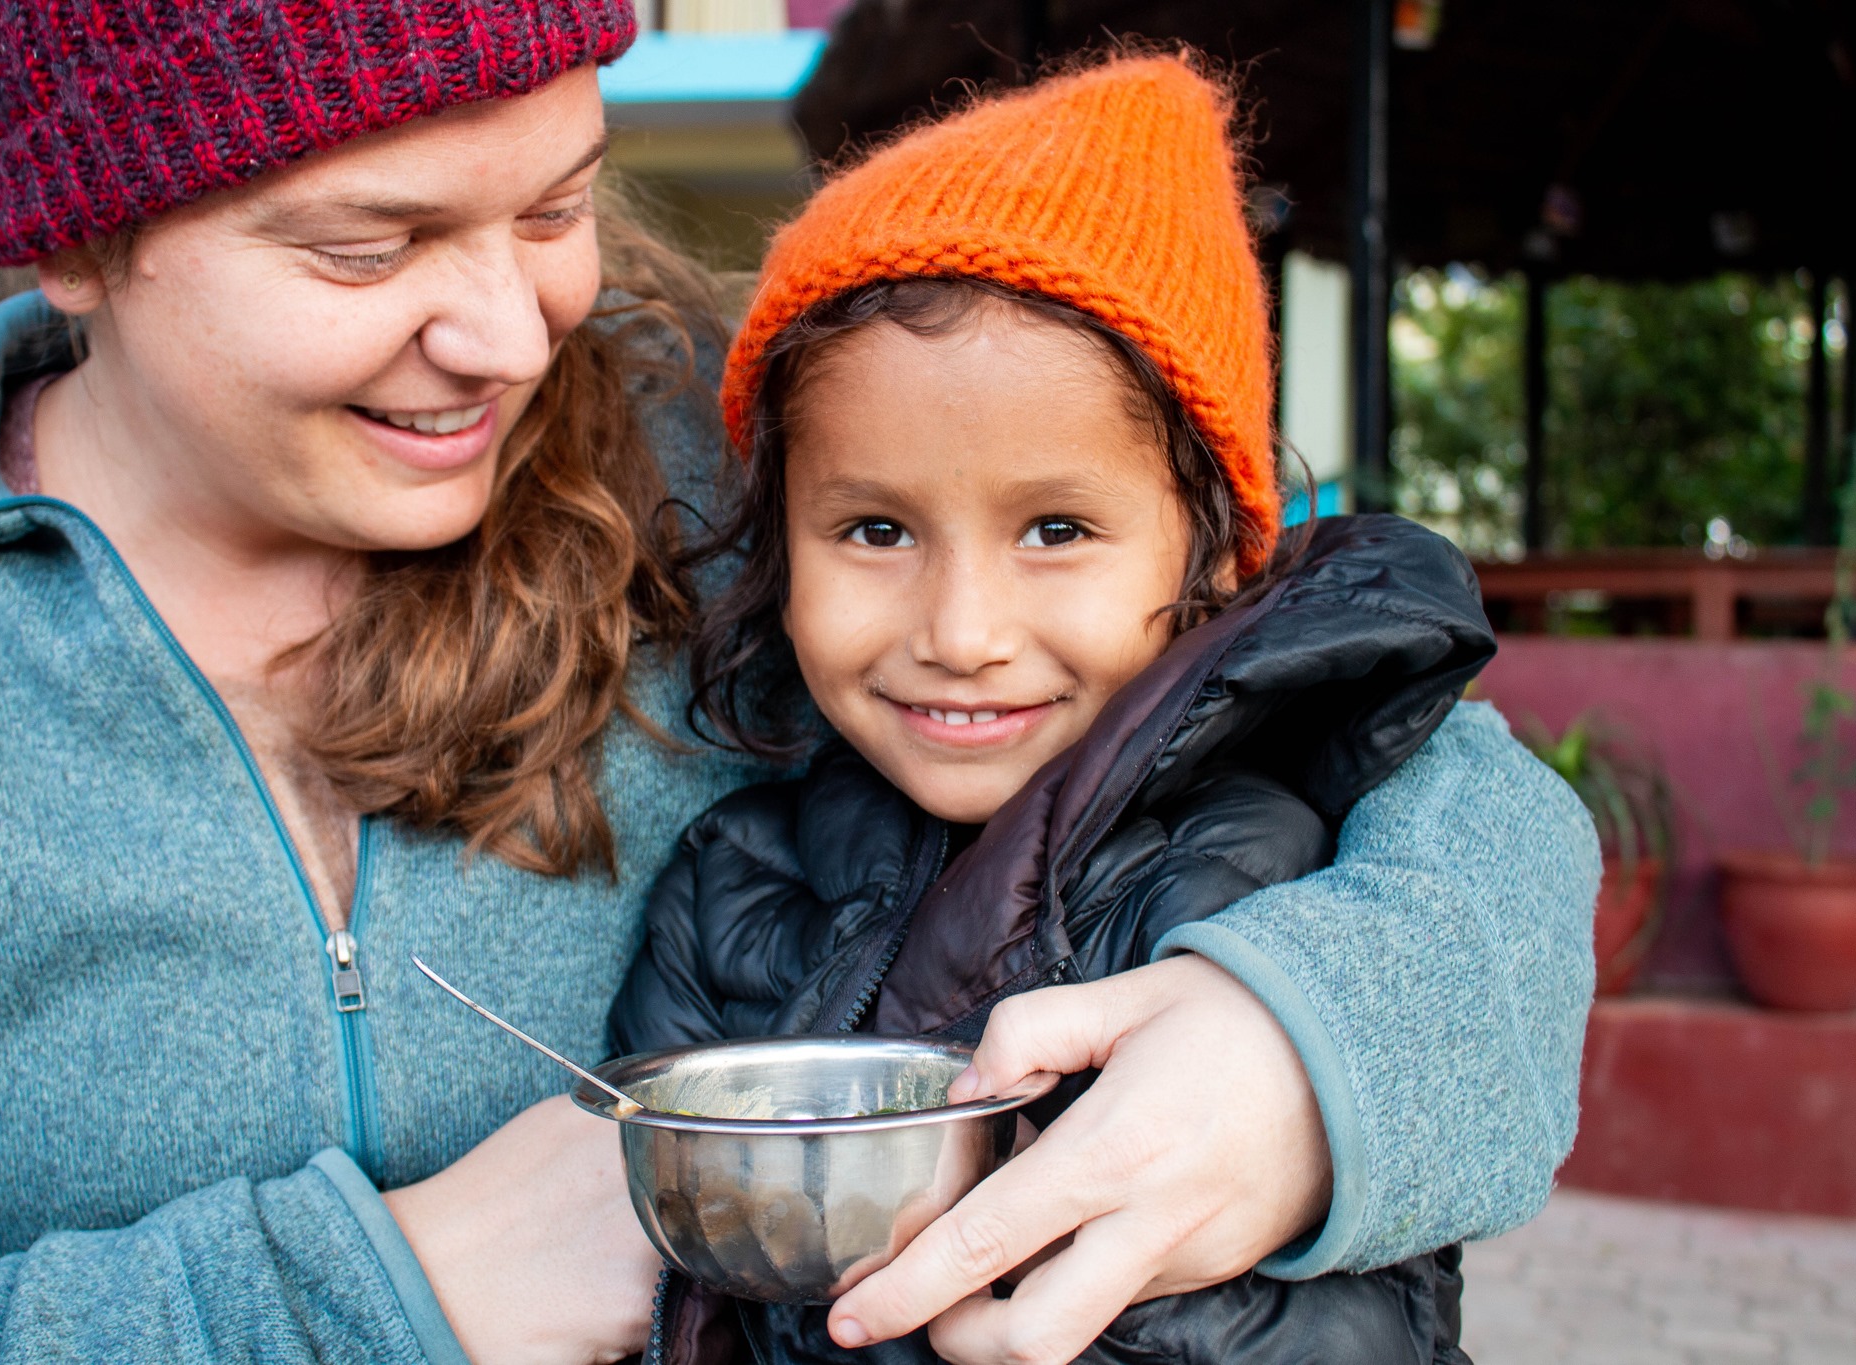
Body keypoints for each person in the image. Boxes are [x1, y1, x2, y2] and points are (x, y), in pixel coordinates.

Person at [0, 5, 1595, 1364]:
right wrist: (393, 1292)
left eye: (556, 205)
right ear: (78, 238)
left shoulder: (723, 464)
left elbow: (1417, 771)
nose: (510, 338)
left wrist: (1307, 1048)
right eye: (368, 247)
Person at [608, 56, 1588, 1365]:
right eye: (876, 527)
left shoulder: (1304, 883)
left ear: (1214, 546)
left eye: (1057, 528)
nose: (961, 633)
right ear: (776, 544)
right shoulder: (724, 881)